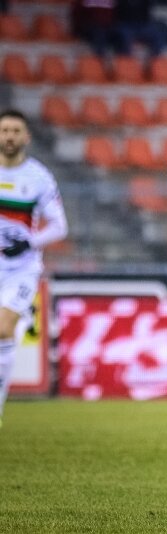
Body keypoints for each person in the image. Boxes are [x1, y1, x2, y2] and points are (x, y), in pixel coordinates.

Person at [0, 110, 68, 429]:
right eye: (5, 130)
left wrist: (28, 242)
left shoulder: (39, 177)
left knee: (3, 328)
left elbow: (59, 226)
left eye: (16, 131)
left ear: (26, 137)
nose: (10, 136)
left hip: (21, 269)